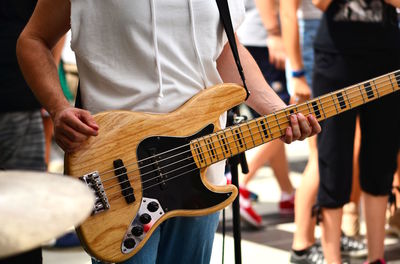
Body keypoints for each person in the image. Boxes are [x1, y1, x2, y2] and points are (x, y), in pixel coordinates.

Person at [16, 0, 321, 263]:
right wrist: (59, 108)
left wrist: (276, 110)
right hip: (118, 170)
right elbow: (34, 39)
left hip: (201, 170)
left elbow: (225, 49)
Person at [311, 0, 400, 263]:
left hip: (386, 57)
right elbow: (318, 2)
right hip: (335, 60)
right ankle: (332, 259)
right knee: (333, 160)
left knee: (380, 162)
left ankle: (376, 258)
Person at [280, 1, 367, 263]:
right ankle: (302, 244)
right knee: (323, 154)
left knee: (342, 149)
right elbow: (289, 10)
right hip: (313, 45)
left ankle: (331, 230)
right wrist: (296, 72)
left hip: (339, 43)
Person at [236, 0, 295, 228]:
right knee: (282, 120)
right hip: (261, 39)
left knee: (277, 123)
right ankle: (241, 183)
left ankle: (287, 193)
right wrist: (274, 32)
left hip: (254, 36)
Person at [0, 0, 45, 263]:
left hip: (21, 104)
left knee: (25, 216)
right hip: (22, 102)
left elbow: (47, 32)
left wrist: (48, 96)